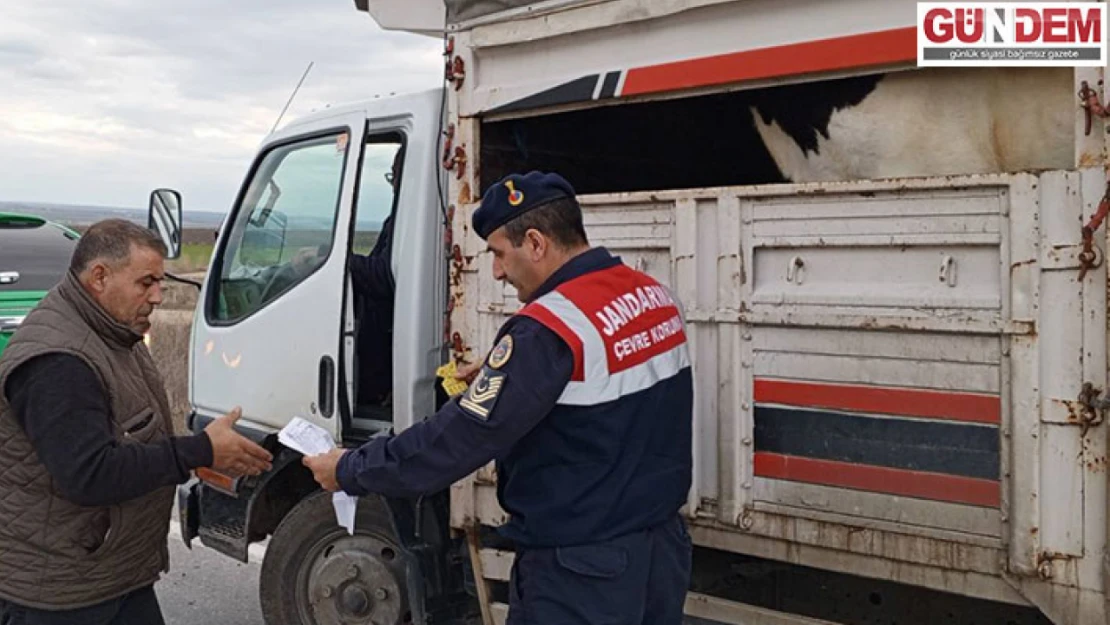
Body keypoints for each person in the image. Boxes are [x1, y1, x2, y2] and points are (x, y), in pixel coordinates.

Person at [304, 171, 694, 624]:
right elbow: (610, 397)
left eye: (497, 253)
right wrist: (507, 377)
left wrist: (351, 468)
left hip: (581, 573)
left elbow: (457, 440)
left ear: (535, 243)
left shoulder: (547, 329)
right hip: (660, 553)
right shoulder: (652, 295)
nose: (496, 270)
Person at [0, 219, 274, 625]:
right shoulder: (59, 361)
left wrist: (199, 455)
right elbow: (89, 474)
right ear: (99, 277)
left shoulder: (113, 332)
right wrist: (199, 450)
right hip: (62, 594)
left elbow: (129, 437)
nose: (158, 296)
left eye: (160, 283)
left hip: (111, 575)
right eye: (146, 283)